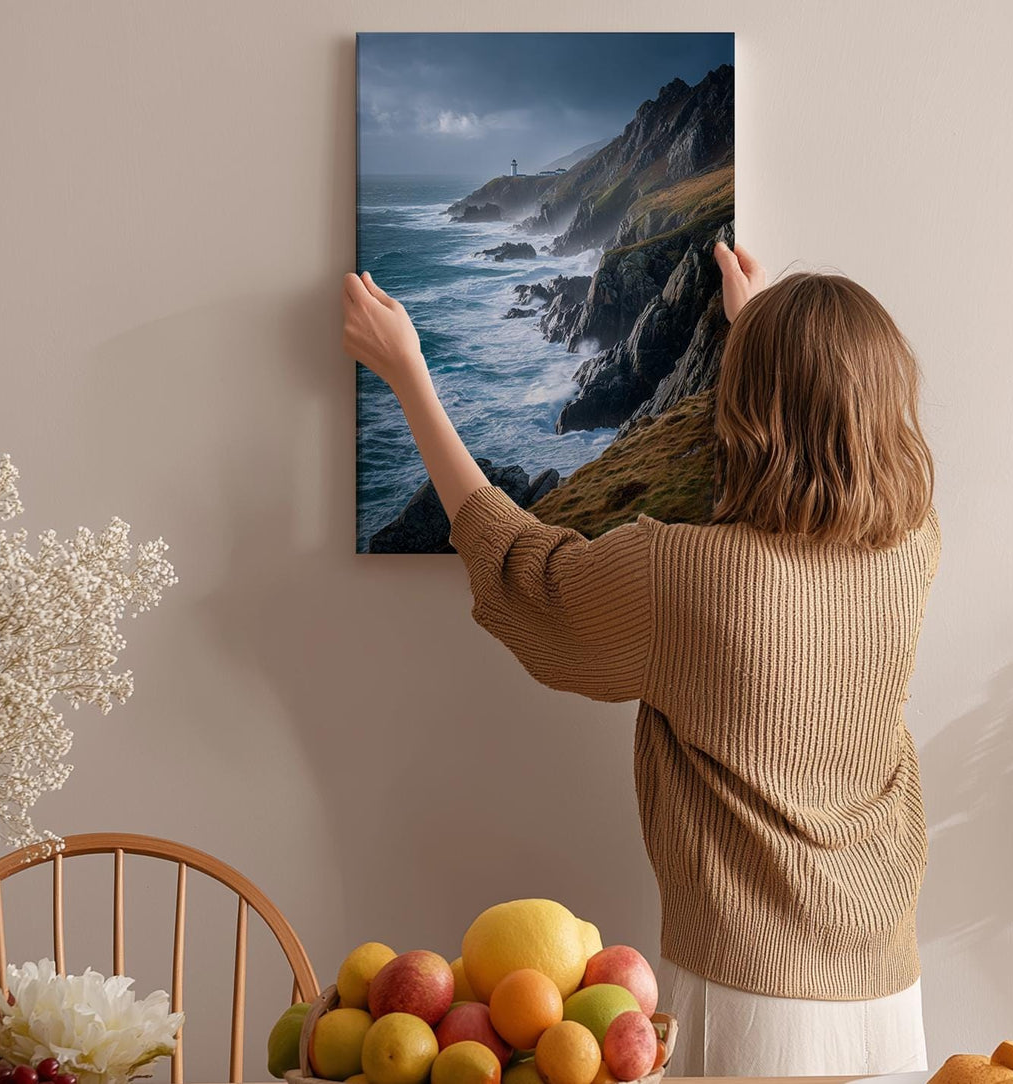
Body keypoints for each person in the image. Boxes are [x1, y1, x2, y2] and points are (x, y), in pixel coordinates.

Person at [341, 241, 939, 1076]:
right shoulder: (911, 548)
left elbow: (524, 572)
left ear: (746, 403)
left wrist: (409, 377)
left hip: (748, 993)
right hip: (887, 983)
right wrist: (758, 329)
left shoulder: (683, 574)